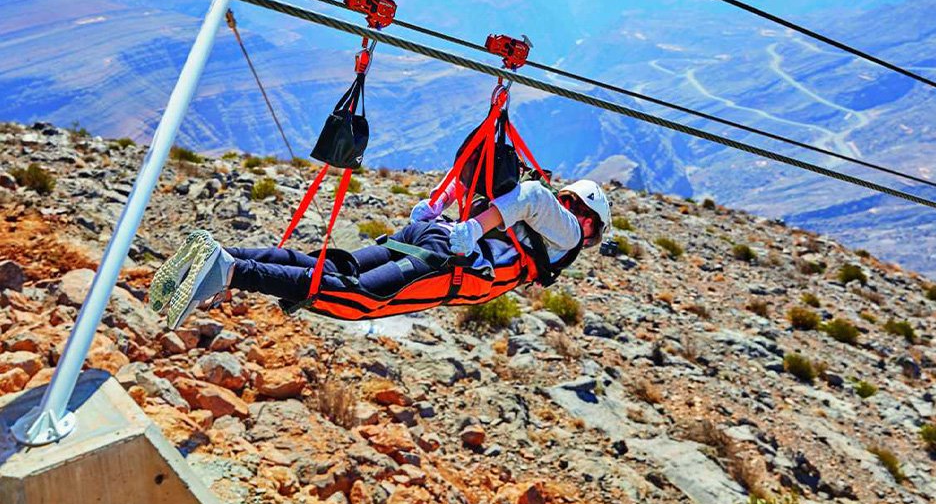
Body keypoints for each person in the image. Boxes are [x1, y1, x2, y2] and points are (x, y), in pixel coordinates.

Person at [149, 178, 611, 329]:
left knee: (330, 267)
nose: (584, 240)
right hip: (452, 260)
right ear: (586, 217)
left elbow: (471, 175)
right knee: (360, 299)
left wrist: (438, 205)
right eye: (592, 232)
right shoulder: (567, 233)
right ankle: (229, 270)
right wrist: (472, 228)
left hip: (434, 237)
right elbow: (530, 194)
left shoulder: (523, 221)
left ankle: (220, 253)